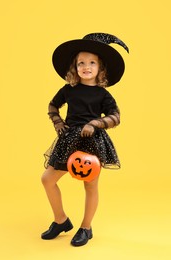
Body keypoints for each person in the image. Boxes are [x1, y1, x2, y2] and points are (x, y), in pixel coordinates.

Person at [41, 33, 128, 247]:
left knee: (90, 186)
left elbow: (115, 117)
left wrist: (94, 124)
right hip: (69, 140)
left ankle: (86, 227)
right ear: (75, 67)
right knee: (47, 179)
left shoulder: (102, 95)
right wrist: (58, 122)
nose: (86, 66)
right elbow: (52, 106)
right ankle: (61, 220)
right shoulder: (68, 90)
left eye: (91, 63)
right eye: (81, 63)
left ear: (100, 69)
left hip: (92, 143)